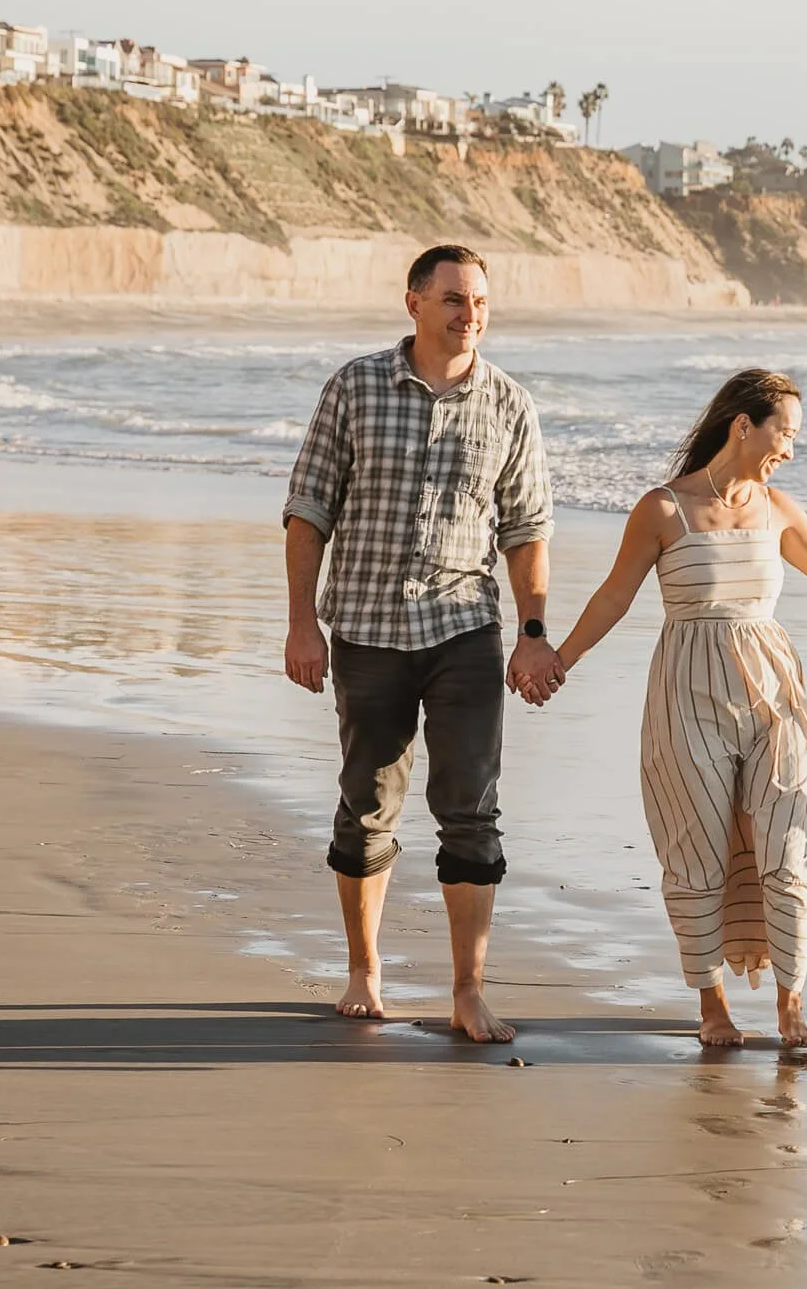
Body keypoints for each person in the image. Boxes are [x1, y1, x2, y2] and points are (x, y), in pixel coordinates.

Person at [552, 368, 807, 1049]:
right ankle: (713, 1005)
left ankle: (792, 1002)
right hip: (687, 690)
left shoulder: (779, 508)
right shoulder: (663, 509)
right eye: (784, 433)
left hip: (774, 690)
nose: (790, 449)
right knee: (697, 848)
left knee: (786, 848)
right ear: (744, 425)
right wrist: (560, 658)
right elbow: (615, 595)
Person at [280, 244, 567, 1043]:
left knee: (471, 811)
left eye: (478, 300)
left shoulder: (511, 404)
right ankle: (364, 971)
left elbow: (527, 531)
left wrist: (534, 632)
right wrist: (303, 622)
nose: (467, 313)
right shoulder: (356, 385)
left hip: (464, 630)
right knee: (367, 805)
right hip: (367, 628)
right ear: (413, 302)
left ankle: (468, 990)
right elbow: (308, 509)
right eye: (451, 298)